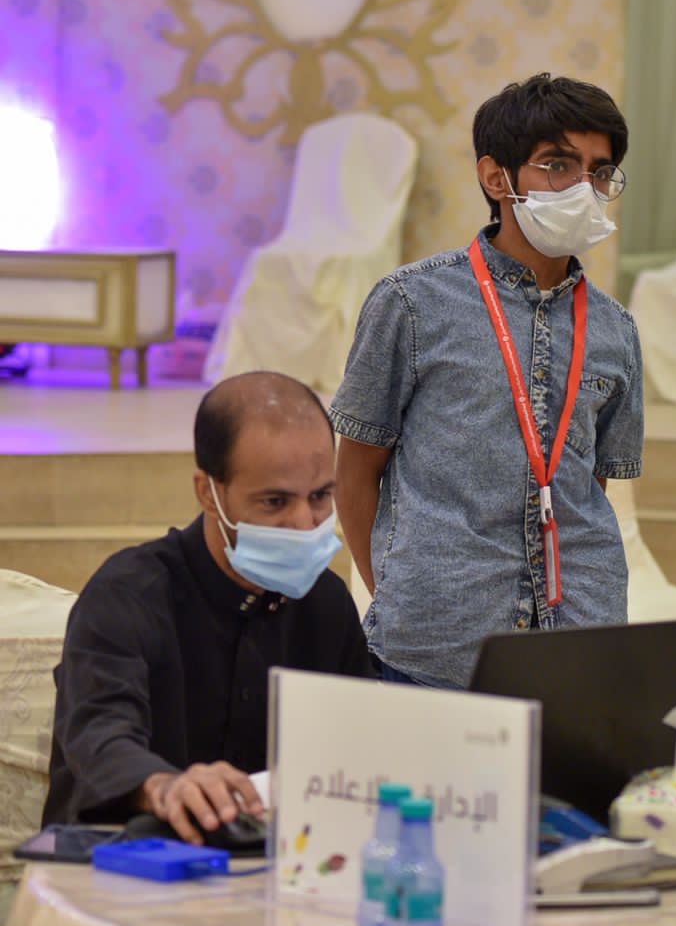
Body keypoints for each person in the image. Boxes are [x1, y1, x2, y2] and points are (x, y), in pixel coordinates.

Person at [332, 73, 644, 689]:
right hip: (437, 640)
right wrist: (401, 594)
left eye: (600, 172)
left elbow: (590, 484)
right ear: (496, 178)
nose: (583, 188)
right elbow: (356, 473)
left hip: (580, 634)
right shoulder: (412, 303)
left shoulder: (616, 330)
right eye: (558, 165)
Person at [43, 372, 372, 842]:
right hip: (120, 860)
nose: (304, 523)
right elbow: (98, 734)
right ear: (208, 492)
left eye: (320, 496)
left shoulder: (326, 603)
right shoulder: (126, 595)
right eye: (275, 501)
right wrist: (163, 786)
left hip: (272, 863)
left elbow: (360, 741)